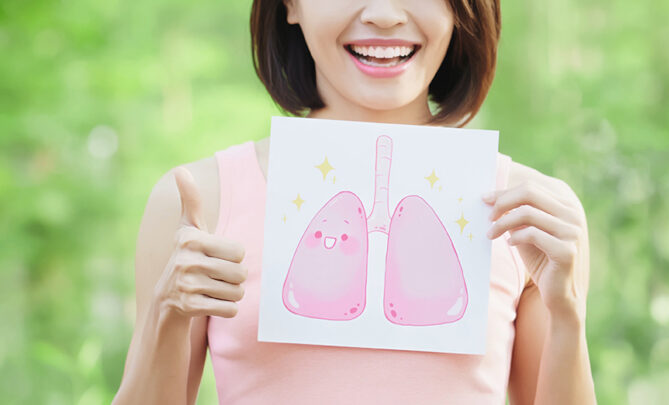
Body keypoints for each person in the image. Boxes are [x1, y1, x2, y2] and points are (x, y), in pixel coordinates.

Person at [112, 0, 596, 404]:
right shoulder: (200, 199)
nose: (384, 15)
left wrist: (567, 313)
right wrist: (166, 314)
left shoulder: (532, 214)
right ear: (291, 5)